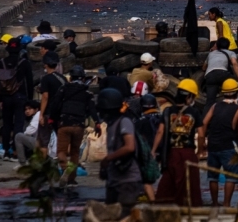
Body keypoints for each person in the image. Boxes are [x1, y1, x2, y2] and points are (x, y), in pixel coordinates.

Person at [155, 79, 203, 207]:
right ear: (188, 96)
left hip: (172, 152)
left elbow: (160, 132)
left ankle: (164, 209)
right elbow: (202, 134)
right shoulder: (195, 112)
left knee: (168, 184)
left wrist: (153, 150)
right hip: (188, 152)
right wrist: (200, 152)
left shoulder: (168, 111)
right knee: (190, 185)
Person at [50, 65, 100, 188]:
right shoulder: (87, 93)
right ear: (83, 78)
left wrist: (53, 118)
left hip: (64, 123)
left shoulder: (63, 89)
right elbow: (93, 109)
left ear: (70, 78)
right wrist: (97, 122)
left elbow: (55, 104)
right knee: (75, 153)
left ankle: (65, 168)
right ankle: (71, 180)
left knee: (61, 151)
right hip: (79, 125)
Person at [97, 89, 142, 218]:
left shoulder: (124, 122)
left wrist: (108, 159)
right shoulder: (111, 125)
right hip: (114, 180)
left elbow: (129, 147)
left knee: (124, 216)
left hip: (128, 181)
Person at [202, 79, 238, 207]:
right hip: (228, 146)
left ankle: (215, 203)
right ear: (236, 93)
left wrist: (204, 140)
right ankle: (226, 204)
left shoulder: (215, 106)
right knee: (231, 176)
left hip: (213, 145)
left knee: (213, 176)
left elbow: (204, 123)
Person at [0, 38, 33, 161]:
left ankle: (6, 151)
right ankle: (17, 151)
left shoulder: (0, 63)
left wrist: (0, 98)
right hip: (20, 97)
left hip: (5, 98)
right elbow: (30, 83)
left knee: (6, 124)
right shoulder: (25, 63)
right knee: (18, 124)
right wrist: (30, 100)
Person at [201, 38, 238, 115]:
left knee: (209, 101)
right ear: (228, 46)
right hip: (223, 74)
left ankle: (204, 122)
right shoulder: (230, 53)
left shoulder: (211, 54)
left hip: (210, 76)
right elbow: (235, 64)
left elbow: (203, 68)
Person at [135, 94, 164, 202]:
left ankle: (152, 202)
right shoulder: (163, 118)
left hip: (147, 154)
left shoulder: (139, 122)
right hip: (164, 152)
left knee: (146, 180)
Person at [37, 51, 66, 155]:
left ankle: (40, 167)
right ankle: (63, 165)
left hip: (48, 113)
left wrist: (41, 114)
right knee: (62, 140)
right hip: (60, 113)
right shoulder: (63, 79)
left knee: (43, 141)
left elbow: (45, 97)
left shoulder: (46, 78)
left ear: (45, 64)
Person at [14, 100, 40, 171]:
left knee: (18, 136)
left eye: (30, 109)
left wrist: (24, 136)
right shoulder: (33, 117)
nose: (27, 111)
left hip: (42, 144)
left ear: (36, 109)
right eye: (26, 109)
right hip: (44, 145)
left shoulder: (38, 116)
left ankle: (22, 164)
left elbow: (29, 131)